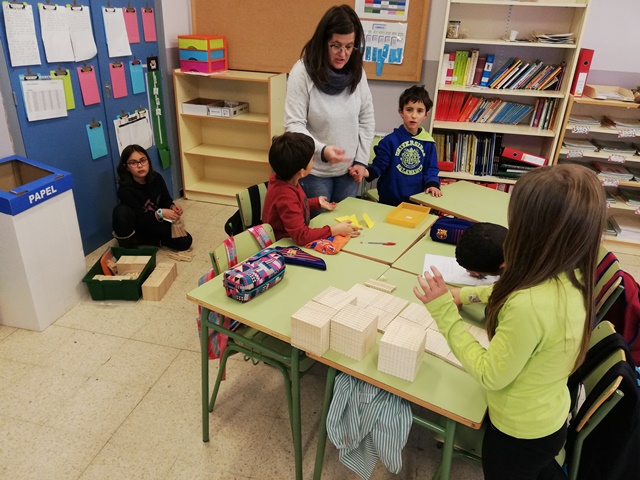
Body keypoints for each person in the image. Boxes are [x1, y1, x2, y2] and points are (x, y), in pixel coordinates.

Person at [414, 164, 606, 480]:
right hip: (550, 418)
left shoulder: (528, 304)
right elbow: (515, 287)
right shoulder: (573, 272)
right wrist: (464, 295)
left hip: (517, 433)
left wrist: (443, 311)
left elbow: (490, 374)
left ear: (533, 233)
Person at [284, 4, 375, 206]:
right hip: (313, 171)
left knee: (346, 222)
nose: (343, 54)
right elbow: (294, 125)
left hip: (349, 171)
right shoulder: (302, 72)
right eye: (336, 45)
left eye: (349, 47)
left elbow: (366, 119)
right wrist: (323, 150)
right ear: (323, 42)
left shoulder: (357, 72)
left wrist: (361, 161)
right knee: (319, 223)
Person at [262, 132, 362, 246]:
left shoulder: (283, 178)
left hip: (290, 238)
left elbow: (293, 206)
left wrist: (315, 202)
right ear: (302, 172)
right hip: (283, 244)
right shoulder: (285, 194)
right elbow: (301, 236)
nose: (313, 163)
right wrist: (334, 230)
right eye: (312, 160)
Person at [353, 85, 442, 206]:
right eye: (409, 110)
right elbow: (379, 165)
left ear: (426, 114)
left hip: (416, 200)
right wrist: (365, 172)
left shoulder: (428, 143)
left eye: (419, 111)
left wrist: (433, 184)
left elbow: (431, 168)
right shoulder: (390, 141)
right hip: (389, 200)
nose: (414, 115)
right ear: (401, 112)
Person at [112, 145, 192, 251]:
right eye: (133, 163)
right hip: (137, 226)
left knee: (185, 241)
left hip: (153, 222)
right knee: (120, 211)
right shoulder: (125, 190)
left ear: (148, 161)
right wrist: (160, 213)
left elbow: (165, 200)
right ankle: (132, 243)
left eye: (143, 160)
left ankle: (148, 241)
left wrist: (172, 206)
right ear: (126, 167)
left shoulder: (156, 178)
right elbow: (140, 219)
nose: (140, 165)